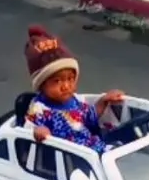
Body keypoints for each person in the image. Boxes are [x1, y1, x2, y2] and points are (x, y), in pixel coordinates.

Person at [24, 25, 125, 153]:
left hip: (90, 146)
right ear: (42, 85)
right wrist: (38, 131)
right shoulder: (40, 108)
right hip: (70, 155)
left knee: (119, 148)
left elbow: (89, 116)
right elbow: (29, 129)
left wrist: (104, 100)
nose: (66, 86)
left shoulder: (75, 100)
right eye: (57, 81)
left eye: (70, 79)